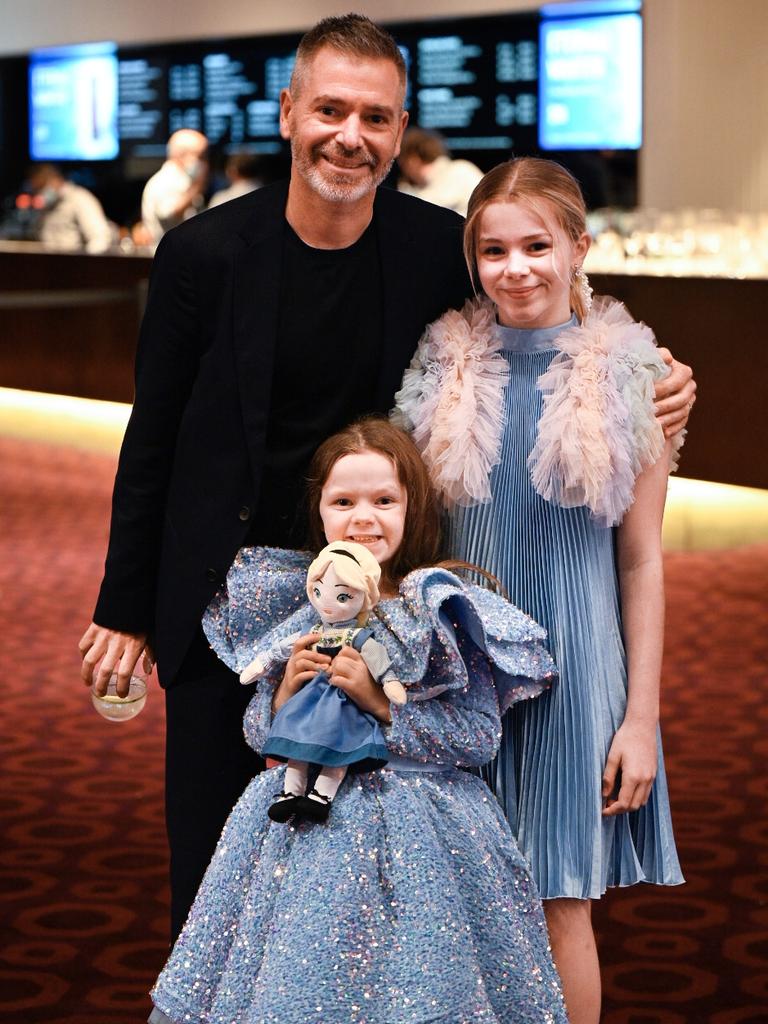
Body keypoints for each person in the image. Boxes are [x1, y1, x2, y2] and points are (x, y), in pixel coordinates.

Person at [78, 15, 696, 944]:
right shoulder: (201, 257)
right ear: (289, 113)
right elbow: (152, 438)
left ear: (399, 132)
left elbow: (542, 303)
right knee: (215, 867)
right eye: (329, 109)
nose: (349, 136)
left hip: (382, 615)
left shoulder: (431, 248)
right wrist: (124, 604)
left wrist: (654, 374)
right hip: (223, 603)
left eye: (374, 117)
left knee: (351, 882)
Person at [393, 156, 686, 1024]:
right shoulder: (442, 365)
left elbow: (641, 562)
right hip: (462, 672)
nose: (515, 268)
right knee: (457, 904)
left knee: (561, 906)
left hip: (575, 678)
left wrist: (641, 720)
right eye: (493, 250)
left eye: (536, 245)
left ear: (579, 247)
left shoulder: (636, 377)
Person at [148, 417, 566, 1024]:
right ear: (319, 513)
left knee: (413, 985)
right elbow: (262, 737)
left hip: (424, 831)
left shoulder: (437, 608)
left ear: (412, 510)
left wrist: (381, 706)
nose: (363, 517)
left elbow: (478, 735)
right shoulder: (305, 610)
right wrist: (283, 699)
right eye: (343, 501)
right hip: (306, 833)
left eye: (384, 500)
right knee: (302, 981)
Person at [245, 540, 405, 824]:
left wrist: (386, 684)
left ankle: (321, 795)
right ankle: (291, 792)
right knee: (297, 742)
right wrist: (265, 666)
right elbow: (280, 650)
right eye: (318, 592)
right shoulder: (313, 630)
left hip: (342, 705)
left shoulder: (360, 635)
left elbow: (376, 656)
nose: (329, 604)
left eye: (342, 596)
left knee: (341, 745)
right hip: (310, 701)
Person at [141, 129, 209, 245]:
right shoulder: (163, 181)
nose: (204, 162)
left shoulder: (184, 180)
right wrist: (197, 187)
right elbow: (169, 214)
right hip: (168, 257)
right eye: (201, 156)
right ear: (181, 154)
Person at [26, 163, 113, 253]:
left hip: (73, 263)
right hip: (48, 263)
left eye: (42, 187)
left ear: (55, 180)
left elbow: (100, 238)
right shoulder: (46, 205)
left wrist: (84, 263)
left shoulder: (79, 198)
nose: (40, 193)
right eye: (36, 189)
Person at [397, 127, 483, 216]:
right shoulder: (408, 189)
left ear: (412, 160)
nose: (402, 169)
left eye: (402, 161)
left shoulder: (462, 171)